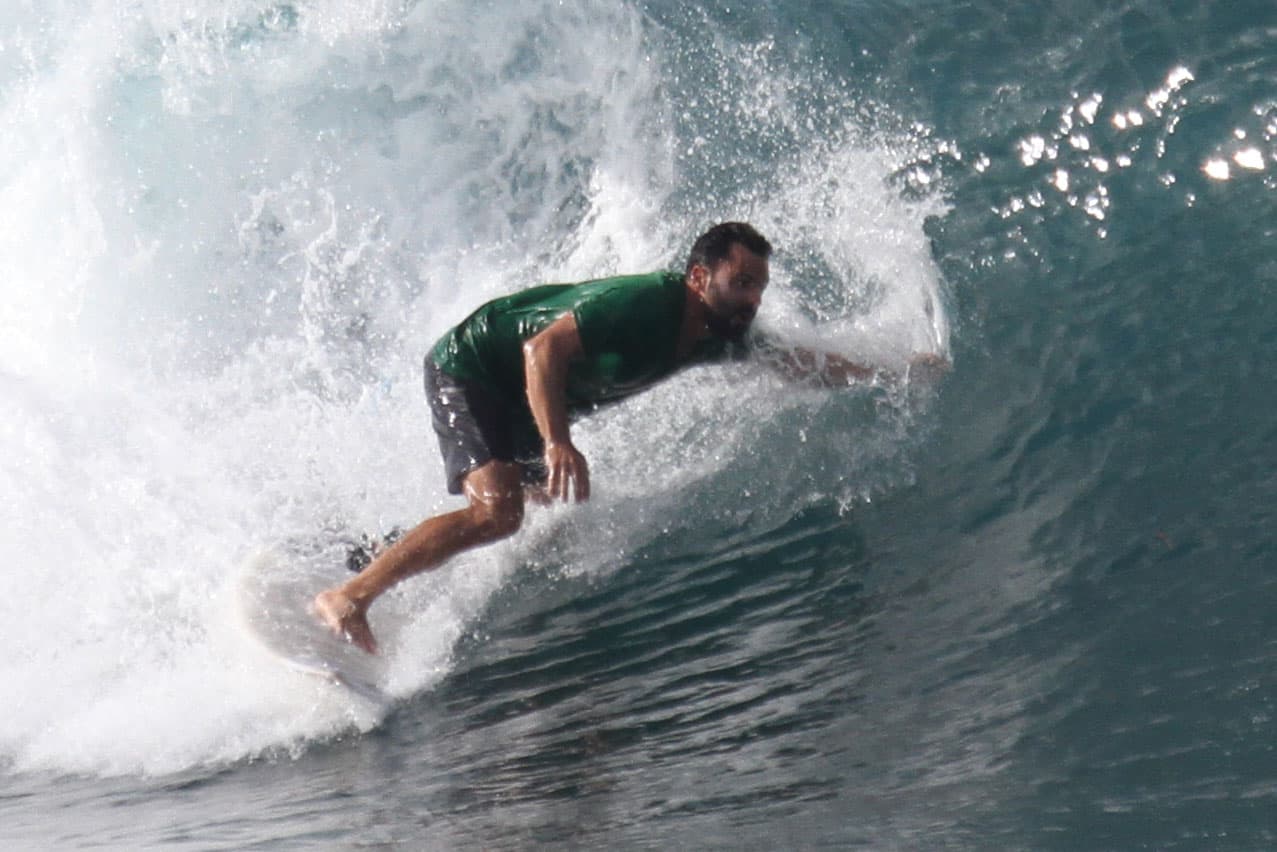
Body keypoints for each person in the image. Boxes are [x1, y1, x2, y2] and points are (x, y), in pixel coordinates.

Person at [314, 222, 946, 653]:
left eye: (759, 286)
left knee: (534, 505)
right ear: (699, 278)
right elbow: (541, 349)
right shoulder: (646, 303)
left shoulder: (719, 334)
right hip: (476, 366)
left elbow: (803, 365)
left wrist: (892, 373)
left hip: (526, 393)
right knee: (499, 512)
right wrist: (557, 440)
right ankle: (348, 597)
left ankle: (378, 550)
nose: (753, 298)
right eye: (741, 283)